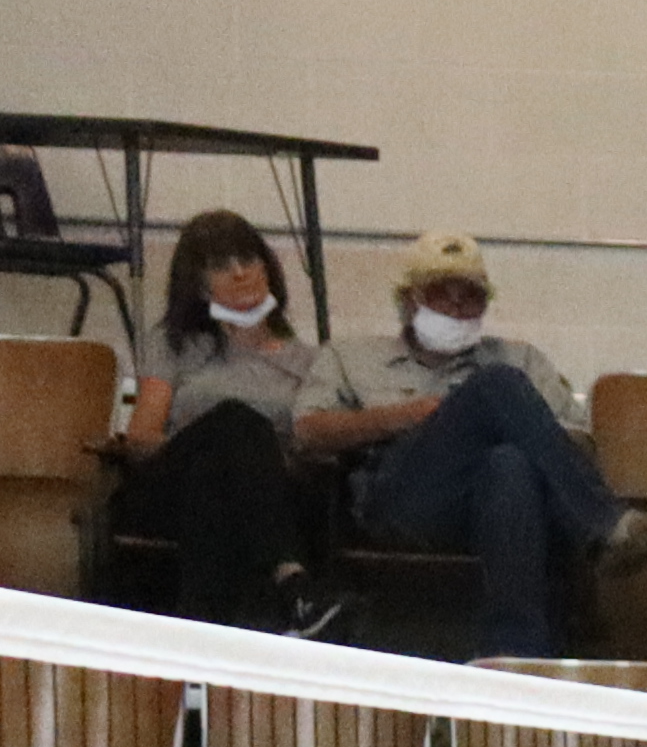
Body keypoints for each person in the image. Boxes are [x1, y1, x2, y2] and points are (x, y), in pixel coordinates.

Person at [116, 209, 421, 633]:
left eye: (248, 260)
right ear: (198, 284)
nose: (240, 274)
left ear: (268, 268)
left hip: (273, 493)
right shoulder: (175, 344)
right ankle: (295, 588)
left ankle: (200, 635)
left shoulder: (311, 361)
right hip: (172, 481)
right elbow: (141, 438)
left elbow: (315, 442)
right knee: (234, 425)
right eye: (221, 266)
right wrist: (218, 444)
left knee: (214, 486)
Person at [352, 229, 627, 657]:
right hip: (408, 498)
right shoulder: (353, 357)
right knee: (495, 385)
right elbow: (307, 429)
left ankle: (516, 654)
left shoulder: (523, 358)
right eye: (442, 294)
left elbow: (577, 439)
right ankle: (606, 524)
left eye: (472, 297)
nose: (458, 307)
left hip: (502, 502)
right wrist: (409, 415)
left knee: (508, 462)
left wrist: (518, 430)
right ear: (409, 300)